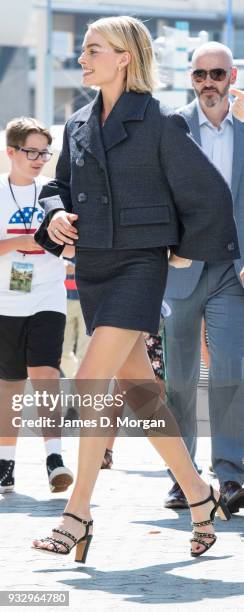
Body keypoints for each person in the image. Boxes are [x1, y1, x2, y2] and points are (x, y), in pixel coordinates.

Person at [32, 17, 239, 561]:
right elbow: (57, 187)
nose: (83, 58)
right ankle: (200, 496)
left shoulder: (160, 121)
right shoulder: (76, 122)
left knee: (93, 378)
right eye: (83, 50)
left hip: (140, 270)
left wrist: (186, 247)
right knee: (145, 395)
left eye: (93, 50)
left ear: (124, 56)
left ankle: (77, 512)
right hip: (95, 268)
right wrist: (54, 216)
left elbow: (209, 194)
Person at [164, 42, 244, 514]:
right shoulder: (172, 128)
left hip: (231, 273)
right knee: (178, 378)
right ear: (190, 79)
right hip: (180, 268)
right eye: (200, 75)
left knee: (231, 371)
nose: (208, 82)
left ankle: (232, 475)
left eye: (217, 73)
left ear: (231, 77)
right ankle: (182, 477)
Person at [0, 117, 74, 494]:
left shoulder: (53, 193)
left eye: (45, 151)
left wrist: (53, 243)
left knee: (44, 374)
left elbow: (73, 244)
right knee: (10, 384)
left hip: (48, 295)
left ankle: (54, 458)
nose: (40, 159)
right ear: (11, 152)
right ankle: (6, 462)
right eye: (31, 151)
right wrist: (22, 242)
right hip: (5, 301)